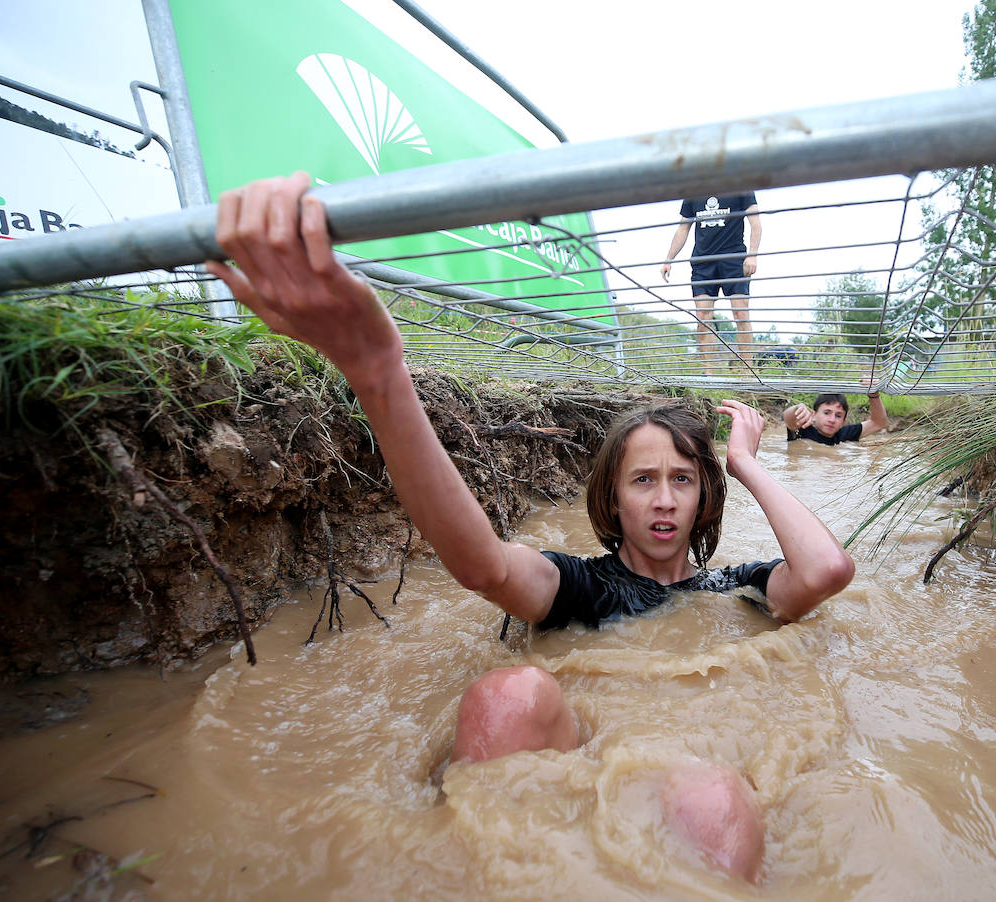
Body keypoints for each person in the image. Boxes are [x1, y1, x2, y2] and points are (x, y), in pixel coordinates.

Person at [205, 172, 854, 882]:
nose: (664, 499)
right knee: (507, 694)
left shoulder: (735, 589)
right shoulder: (580, 587)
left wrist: (746, 464)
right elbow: (483, 565)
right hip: (569, 766)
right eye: (643, 480)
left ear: (704, 500)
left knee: (715, 797)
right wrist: (377, 373)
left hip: (678, 789)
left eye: (682, 480)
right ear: (613, 501)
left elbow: (825, 573)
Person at [660, 193, 762, 367]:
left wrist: (752, 256)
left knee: (741, 313)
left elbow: (756, 223)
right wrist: (668, 260)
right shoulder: (694, 192)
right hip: (703, 263)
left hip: (734, 258)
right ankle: (709, 375)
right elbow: (683, 228)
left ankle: (747, 372)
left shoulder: (740, 187)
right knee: (702, 317)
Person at [784, 392, 889, 446]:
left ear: (844, 422)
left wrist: (874, 395)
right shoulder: (803, 429)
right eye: (826, 413)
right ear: (813, 415)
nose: (832, 420)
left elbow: (879, 423)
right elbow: (788, 419)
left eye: (838, 416)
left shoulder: (845, 434)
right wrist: (798, 408)